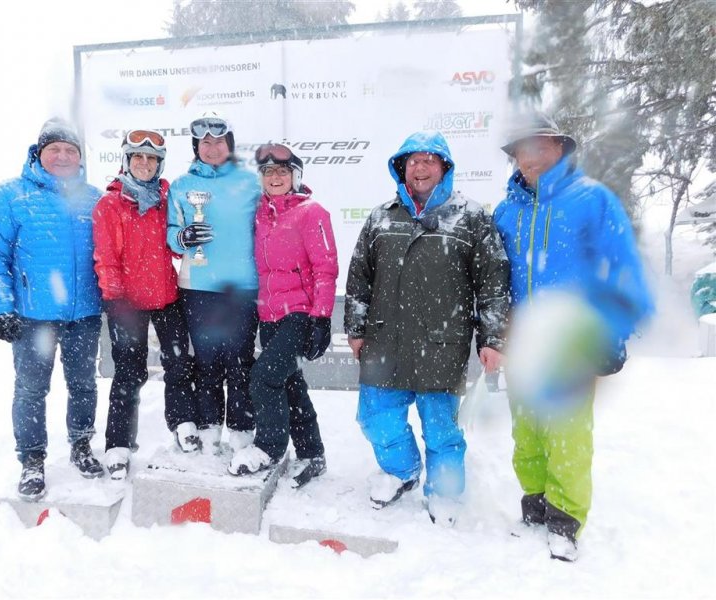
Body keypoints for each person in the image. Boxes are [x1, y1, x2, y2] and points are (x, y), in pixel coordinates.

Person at [493, 112, 654, 561]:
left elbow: (623, 267)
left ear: (560, 148)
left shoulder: (592, 199)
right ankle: (535, 507)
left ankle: (565, 520)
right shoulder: (506, 211)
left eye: (540, 146)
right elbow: (494, 279)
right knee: (527, 432)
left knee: (566, 434)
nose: (531, 157)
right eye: (522, 150)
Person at [344, 131, 510, 525]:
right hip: (385, 339)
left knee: (441, 430)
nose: (420, 167)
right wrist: (356, 327)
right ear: (402, 168)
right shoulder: (381, 216)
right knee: (375, 417)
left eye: (429, 160)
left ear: (444, 168)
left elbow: (493, 282)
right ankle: (401, 471)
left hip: (441, 342)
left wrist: (492, 338)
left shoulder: (472, 217)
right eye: (413, 161)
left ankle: (445, 493)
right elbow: (359, 277)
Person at [0, 118, 104, 501]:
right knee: (31, 390)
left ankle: (81, 445)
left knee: (83, 385)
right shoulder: (12, 195)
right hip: (33, 317)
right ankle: (32, 460)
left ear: (80, 157)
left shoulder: (94, 198)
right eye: (55, 149)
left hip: (84, 314)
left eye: (70, 150)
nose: (62, 156)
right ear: (39, 152)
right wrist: (0, 306)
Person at [227, 144, 338, 487]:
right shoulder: (259, 214)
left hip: (299, 314)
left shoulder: (311, 212)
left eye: (282, 171)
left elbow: (325, 267)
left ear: (295, 176)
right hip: (269, 314)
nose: (275, 177)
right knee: (290, 384)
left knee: (263, 378)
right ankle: (312, 452)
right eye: (268, 172)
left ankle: (268, 447)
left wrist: (321, 317)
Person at [92, 129, 197, 479]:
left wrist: (185, 238)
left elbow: (175, 249)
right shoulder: (110, 204)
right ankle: (118, 443)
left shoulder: (166, 199)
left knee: (179, 364)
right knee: (129, 372)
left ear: (159, 164)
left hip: (167, 297)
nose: (144, 163)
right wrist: (116, 299)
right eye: (138, 156)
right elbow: (106, 257)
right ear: (126, 160)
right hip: (127, 304)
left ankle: (182, 422)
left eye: (151, 158)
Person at [167, 112, 260, 455]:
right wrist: (183, 237)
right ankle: (209, 424)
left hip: (242, 287)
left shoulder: (250, 183)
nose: (212, 147)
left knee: (239, 360)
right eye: (204, 142)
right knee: (207, 362)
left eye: (219, 141)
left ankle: (241, 425)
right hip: (198, 287)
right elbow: (171, 233)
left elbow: (273, 218)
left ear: (230, 145)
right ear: (196, 147)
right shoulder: (181, 186)